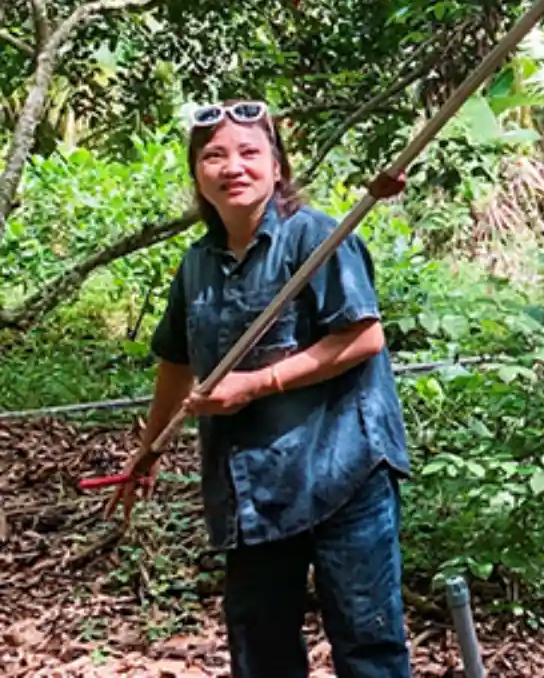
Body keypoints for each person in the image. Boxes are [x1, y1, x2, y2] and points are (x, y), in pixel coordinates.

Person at [106, 100, 412, 678]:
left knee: (367, 643)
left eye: (250, 152)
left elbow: (363, 338)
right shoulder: (197, 263)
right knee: (260, 647)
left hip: (345, 466)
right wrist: (148, 450)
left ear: (277, 167)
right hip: (254, 487)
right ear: (198, 173)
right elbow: (176, 362)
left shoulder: (318, 236)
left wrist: (256, 383)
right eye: (214, 156)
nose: (233, 166)